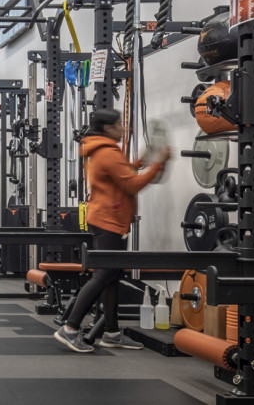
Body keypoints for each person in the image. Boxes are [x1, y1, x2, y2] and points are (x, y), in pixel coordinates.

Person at [54, 108, 171, 353]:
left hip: (109, 219)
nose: (123, 129)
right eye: (119, 124)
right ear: (108, 128)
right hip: (108, 221)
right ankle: (70, 328)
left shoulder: (102, 150)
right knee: (103, 275)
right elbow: (131, 184)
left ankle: (112, 332)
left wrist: (143, 161)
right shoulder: (106, 152)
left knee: (112, 276)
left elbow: (122, 173)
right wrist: (158, 163)